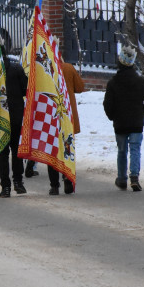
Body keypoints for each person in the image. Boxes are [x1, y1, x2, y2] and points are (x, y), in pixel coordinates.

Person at [103, 45, 144, 192]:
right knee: (135, 149)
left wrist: (112, 116)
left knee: (121, 151)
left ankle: (121, 179)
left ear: (119, 62)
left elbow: (108, 104)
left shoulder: (113, 83)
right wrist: (142, 113)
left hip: (120, 123)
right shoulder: (141, 81)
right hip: (136, 123)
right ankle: (134, 177)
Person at [46, 59, 87, 195]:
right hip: (67, 115)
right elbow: (80, 87)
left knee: (52, 149)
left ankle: (54, 185)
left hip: (50, 114)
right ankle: (67, 178)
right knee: (67, 146)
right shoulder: (68, 68)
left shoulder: (45, 69)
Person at [0, 55, 28, 197]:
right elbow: (25, 90)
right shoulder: (16, 69)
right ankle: (18, 182)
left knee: (2, 153)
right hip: (16, 116)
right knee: (16, 150)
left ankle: (5, 187)